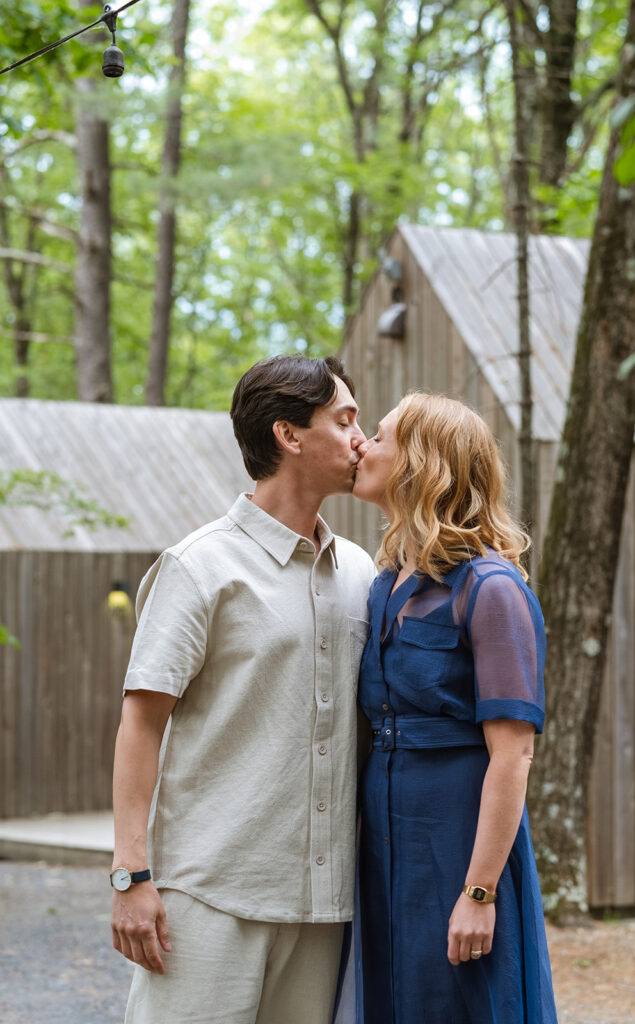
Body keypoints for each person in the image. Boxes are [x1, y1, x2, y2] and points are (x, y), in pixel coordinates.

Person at [110, 355, 376, 1024]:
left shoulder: (363, 575)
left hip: (323, 905)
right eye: (344, 420)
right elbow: (141, 724)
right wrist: (131, 875)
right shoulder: (199, 567)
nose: (360, 439)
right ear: (289, 436)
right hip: (209, 896)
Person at [351, 392, 557, 1024]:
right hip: (389, 839)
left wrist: (480, 891)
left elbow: (514, 755)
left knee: (465, 1002)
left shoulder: (492, 591)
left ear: (420, 463)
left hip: (461, 841)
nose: (362, 443)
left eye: (379, 435)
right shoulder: (386, 587)